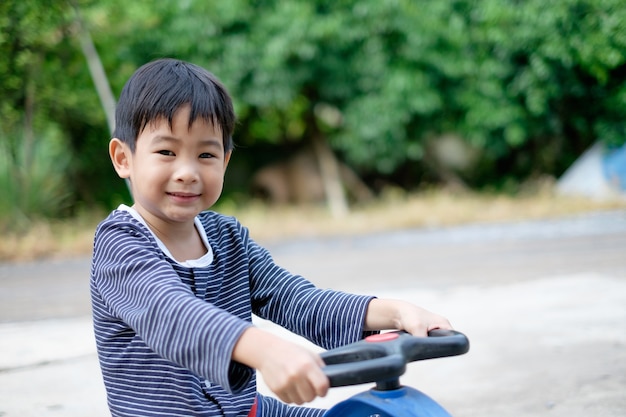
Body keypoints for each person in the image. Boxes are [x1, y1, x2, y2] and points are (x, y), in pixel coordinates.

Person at [90, 58, 452, 417]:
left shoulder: (228, 238)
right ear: (124, 158)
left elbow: (296, 299)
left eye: (205, 154)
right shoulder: (120, 245)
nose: (187, 172)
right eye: (166, 152)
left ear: (225, 162)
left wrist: (395, 312)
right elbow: (173, 315)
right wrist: (266, 351)